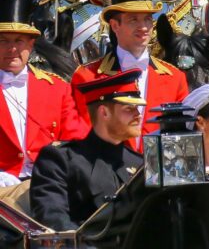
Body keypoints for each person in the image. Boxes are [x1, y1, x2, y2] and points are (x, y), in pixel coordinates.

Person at [71, 0, 189, 152]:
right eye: (133, 19)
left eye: (147, 19)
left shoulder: (175, 78)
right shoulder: (87, 76)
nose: (143, 27)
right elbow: (83, 135)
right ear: (115, 25)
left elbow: (181, 136)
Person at [30, 70, 144, 231]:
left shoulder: (139, 163)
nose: (138, 115)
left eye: (138, 109)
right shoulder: (60, 160)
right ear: (104, 112)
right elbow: (53, 219)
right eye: (129, 109)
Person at [0, 0, 89, 187]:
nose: (12, 48)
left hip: (49, 184)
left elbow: (77, 139)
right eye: (3, 41)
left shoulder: (57, 88)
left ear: (31, 44)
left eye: (19, 40)